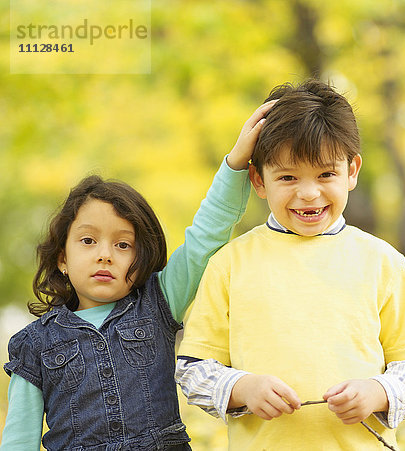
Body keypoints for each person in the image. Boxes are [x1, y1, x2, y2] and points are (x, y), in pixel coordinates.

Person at [175, 79, 405, 450]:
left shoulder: (382, 262)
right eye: (287, 177)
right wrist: (241, 387)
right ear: (258, 179)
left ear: (352, 172)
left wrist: (379, 391)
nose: (308, 192)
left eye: (325, 174)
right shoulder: (230, 264)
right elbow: (192, 369)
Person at [0, 100, 276, 450]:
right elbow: (18, 439)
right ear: (62, 260)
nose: (104, 254)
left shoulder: (160, 303)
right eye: (88, 241)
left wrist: (235, 163)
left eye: (123, 245)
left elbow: (205, 236)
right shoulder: (33, 344)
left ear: (142, 258)